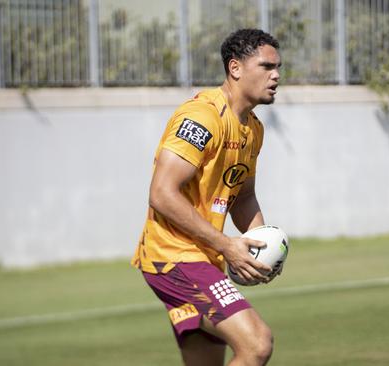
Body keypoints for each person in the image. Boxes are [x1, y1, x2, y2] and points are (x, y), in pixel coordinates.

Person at [131, 29, 281, 366]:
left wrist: (264, 247)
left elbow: (243, 197)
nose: (276, 76)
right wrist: (227, 245)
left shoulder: (253, 129)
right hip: (173, 257)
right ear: (235, 68)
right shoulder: (201, 117)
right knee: (257, 344)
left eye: (278, 67)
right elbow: (161, 193)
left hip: (201, 258)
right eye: (267, 66)